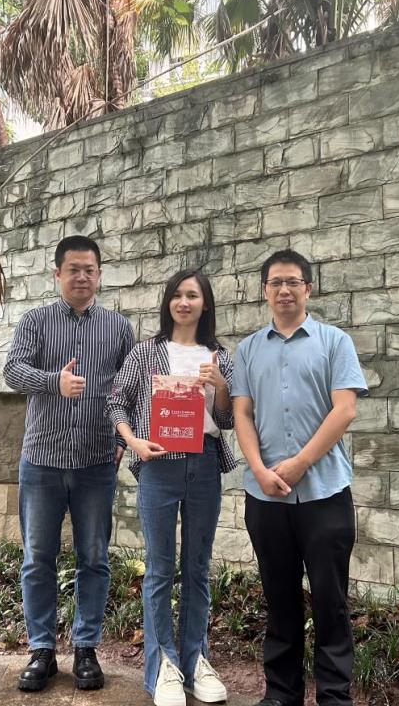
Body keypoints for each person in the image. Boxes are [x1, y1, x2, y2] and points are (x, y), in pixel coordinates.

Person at [231, 249, 369, 706]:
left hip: (324, 493)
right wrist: (259, 470)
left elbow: (344, 409)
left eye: (293, 282)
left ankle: (334, 695)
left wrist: (299, 463)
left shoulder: (335, 342)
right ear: (265, 291)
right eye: (276, 283)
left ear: (308, 288)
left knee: (331, 601)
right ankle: (281, 693)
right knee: (279, 597)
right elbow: (242, 414)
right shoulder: (248, 350)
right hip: (265, 497)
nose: (284, 290)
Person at [3, 235, 135, 692]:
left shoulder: (119, 328)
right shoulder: (35, 321)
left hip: (97, 461)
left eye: (89, 270)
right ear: (57, 273)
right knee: (38, 558)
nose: (82, 277)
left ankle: (85, 648)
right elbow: (12, 371)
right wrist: (53, 383)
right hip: (42, 459)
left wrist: (122, 438)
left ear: (100, 275)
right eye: (73, 269)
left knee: (94, 558)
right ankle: (41, 649)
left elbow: (129, 388)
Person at [106, 269, 236, 706]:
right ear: (168, 302)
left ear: (205, 303)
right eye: (177, 295)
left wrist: (221, 387)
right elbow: (116, 401)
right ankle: (162, 665)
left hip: (204, 465)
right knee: (160, 569)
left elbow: (227, 419)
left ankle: (196, 660)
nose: (184, 302)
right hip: (158, 466)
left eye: (192, 295)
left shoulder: (219, 356)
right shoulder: (146, 352)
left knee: (197, 568)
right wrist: (133, 441)